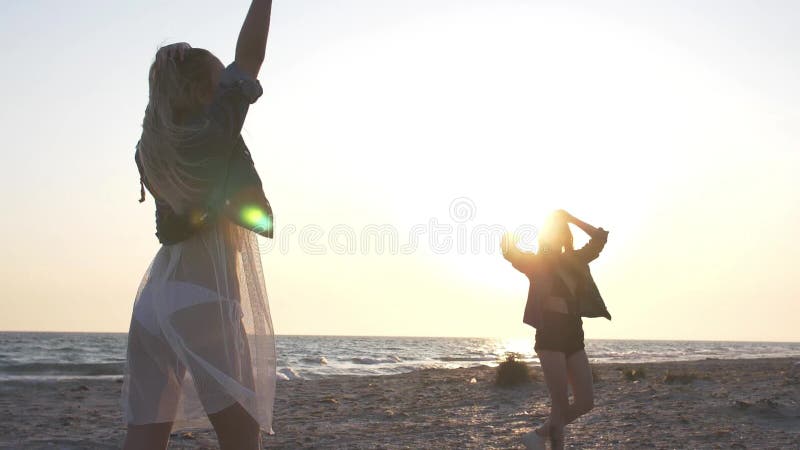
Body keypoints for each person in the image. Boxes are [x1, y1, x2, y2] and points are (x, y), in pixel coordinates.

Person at [122, 2, 276, 449]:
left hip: (154, 298)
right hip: (204, 294)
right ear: (202, 91)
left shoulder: (149, 146)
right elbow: (250, 56)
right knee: (241, 437)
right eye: (220, 78)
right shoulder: (212, 130)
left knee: (146, 431)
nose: (229, 79)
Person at [501, 210, 611, 450]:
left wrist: (570, 218)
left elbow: (600, 237)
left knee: (586, 402)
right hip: (550, 334)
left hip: (574, 333)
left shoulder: (576, 260)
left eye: (562, 232)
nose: (558, 236)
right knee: (559, 405)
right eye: (554, 232)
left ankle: (538, 435)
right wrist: (509, 223)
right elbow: (509, 250)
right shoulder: (537, 262)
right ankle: (551, 444)